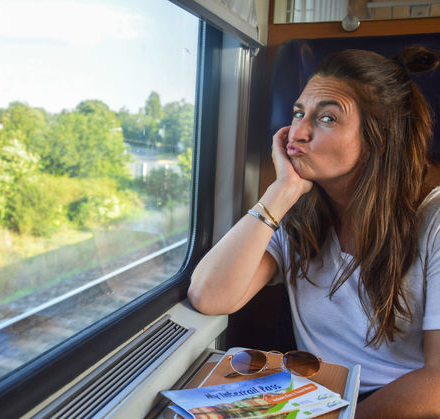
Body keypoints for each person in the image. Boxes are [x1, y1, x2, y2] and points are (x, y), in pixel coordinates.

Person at [188, 46, 440, 418]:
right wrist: (281, 191)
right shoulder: (295, 215)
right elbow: (209, 296)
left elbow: (437, 380)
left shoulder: (433, 220)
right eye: (298, 113)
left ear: (377, 141)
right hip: (314, 397)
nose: (298, 132)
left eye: (327, 119)